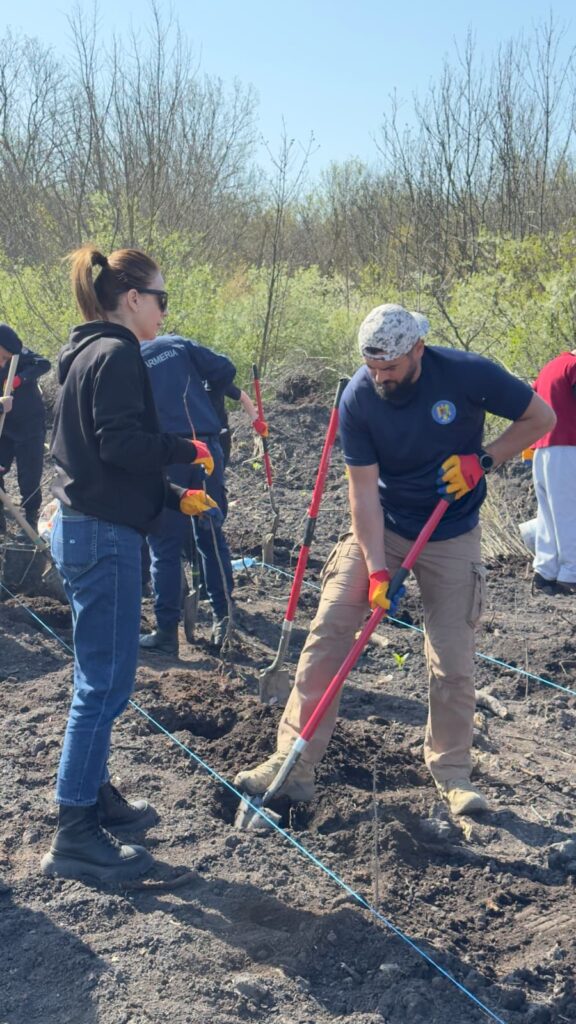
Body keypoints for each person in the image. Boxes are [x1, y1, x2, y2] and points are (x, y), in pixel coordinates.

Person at [235, 303, 555, 816]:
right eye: (372, 367)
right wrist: (377, 568)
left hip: (452, 530)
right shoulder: (359, 397)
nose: (380, 377)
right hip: (384, 525)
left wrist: (483, 460)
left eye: (390, 367)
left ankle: (452, 773)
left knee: (452, 659)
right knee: (329, 630)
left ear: (417, 350)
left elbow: (542, 417)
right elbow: (362, 494)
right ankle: (292, 765)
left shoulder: (468, 374)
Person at [41, 245, 218, 885]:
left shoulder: (86, 354)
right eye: (161, 298)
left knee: (99, 676)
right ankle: (75, 833)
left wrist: (169, 497)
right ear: (133, 298)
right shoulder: (117, 356)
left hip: (86, 527)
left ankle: (94, 796)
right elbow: (120, 445)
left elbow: (97, 461)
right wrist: (183, 448)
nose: (165, 311)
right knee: (105, 685)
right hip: (104, 538)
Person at [139, 335, 267, 655]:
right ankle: (224, 619)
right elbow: (225, 369)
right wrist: (205, 399)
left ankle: (166, 630)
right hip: (205, 447)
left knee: (164, 543)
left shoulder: (129, 357)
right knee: (210, 533)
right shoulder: (179, 345)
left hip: (166, 452)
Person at [530, 347, 576, 596]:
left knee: (549, 514)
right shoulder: (573, 367)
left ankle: (546, 572)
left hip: (543, 448)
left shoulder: (551, 366)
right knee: (569, 512)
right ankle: (571, 574)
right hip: (569, 447)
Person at [0, 325, 51, 534]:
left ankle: (29, 521)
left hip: (29, 424)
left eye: (7, 359)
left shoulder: (18, 354)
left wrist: (18, 379)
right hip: (3, 427)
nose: (3, 363)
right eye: (2, 357)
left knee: (29, 476)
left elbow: (44, 363)